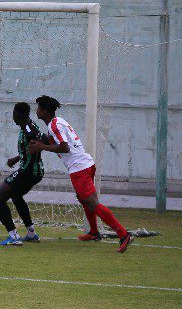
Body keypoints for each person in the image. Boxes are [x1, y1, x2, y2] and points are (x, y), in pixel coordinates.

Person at [28, 95, 133, 253]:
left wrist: (41, 147)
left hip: (79, 168)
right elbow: (56, 141)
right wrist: (42, 142)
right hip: (86, 164)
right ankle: (94, 232)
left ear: (44, 111)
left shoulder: (54, 125)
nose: (36, 111)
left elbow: (65, 147)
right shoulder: (57, 122)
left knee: (92, 203)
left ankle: (124, 235)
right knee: (84, 199)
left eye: (38, 108)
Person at [0, 102, 44, 246]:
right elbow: (31, 147)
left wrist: (51, 145)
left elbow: (42, 140)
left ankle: (14, 236)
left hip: (28, 172)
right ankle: (31, 233)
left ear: (18, 115)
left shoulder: (29, 129)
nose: (13, 116)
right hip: (33, 171)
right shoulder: (27, 125)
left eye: (14, 113)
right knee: (15, 196)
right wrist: (18, 158)